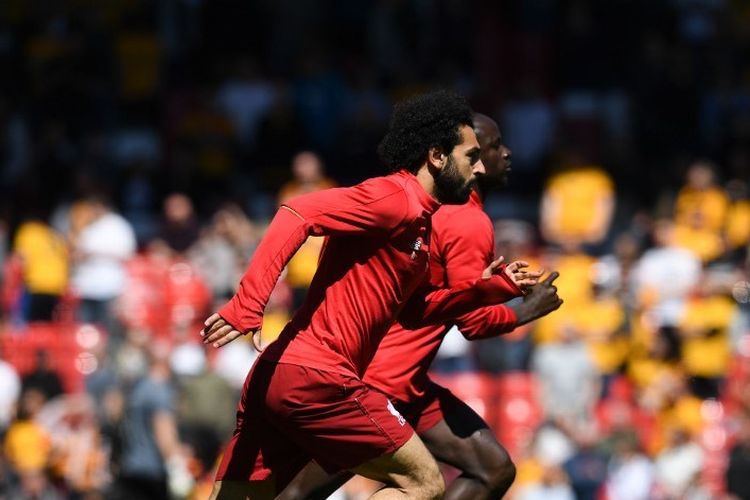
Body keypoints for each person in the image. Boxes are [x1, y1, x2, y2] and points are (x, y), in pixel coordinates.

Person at [201, 91, 537, 499]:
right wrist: (248, 304)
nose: (480, 165)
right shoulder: (394, 199)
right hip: (320, 376)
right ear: (436, 156)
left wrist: (492, 289)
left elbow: (415, 312)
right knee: (423, 482)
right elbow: (297, 212)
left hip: (278, 375)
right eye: (471, 156)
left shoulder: (422, 226)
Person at [281, 114, 564, 500]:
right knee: (296, 494)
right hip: (375, 384)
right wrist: (529, 308)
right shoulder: (467, 220)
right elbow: (474, 323)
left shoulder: (421, 207)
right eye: (494, 146)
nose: (506, 153)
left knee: (492, 468)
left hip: (403, 381)